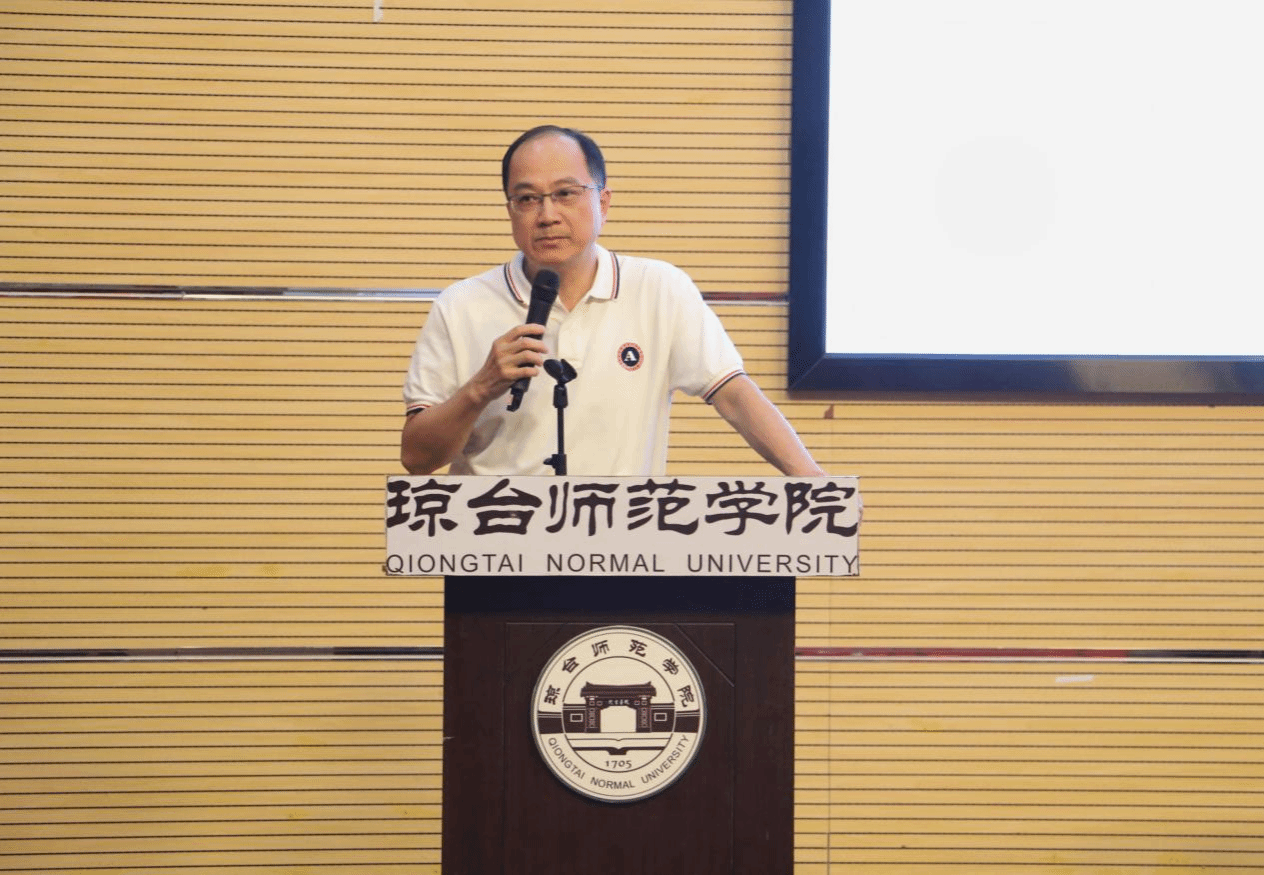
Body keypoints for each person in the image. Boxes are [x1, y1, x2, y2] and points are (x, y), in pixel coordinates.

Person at [401, 124, 827, 478]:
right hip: (494, 541)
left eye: (566, 193)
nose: (547, 215)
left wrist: (813, 481)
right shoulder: (460, 306)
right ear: (510, 210)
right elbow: (417, 459)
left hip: (621, 541)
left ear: (603, 202)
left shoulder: (659, 289)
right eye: (527, 199)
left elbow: (733, 395)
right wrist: (480, 387)